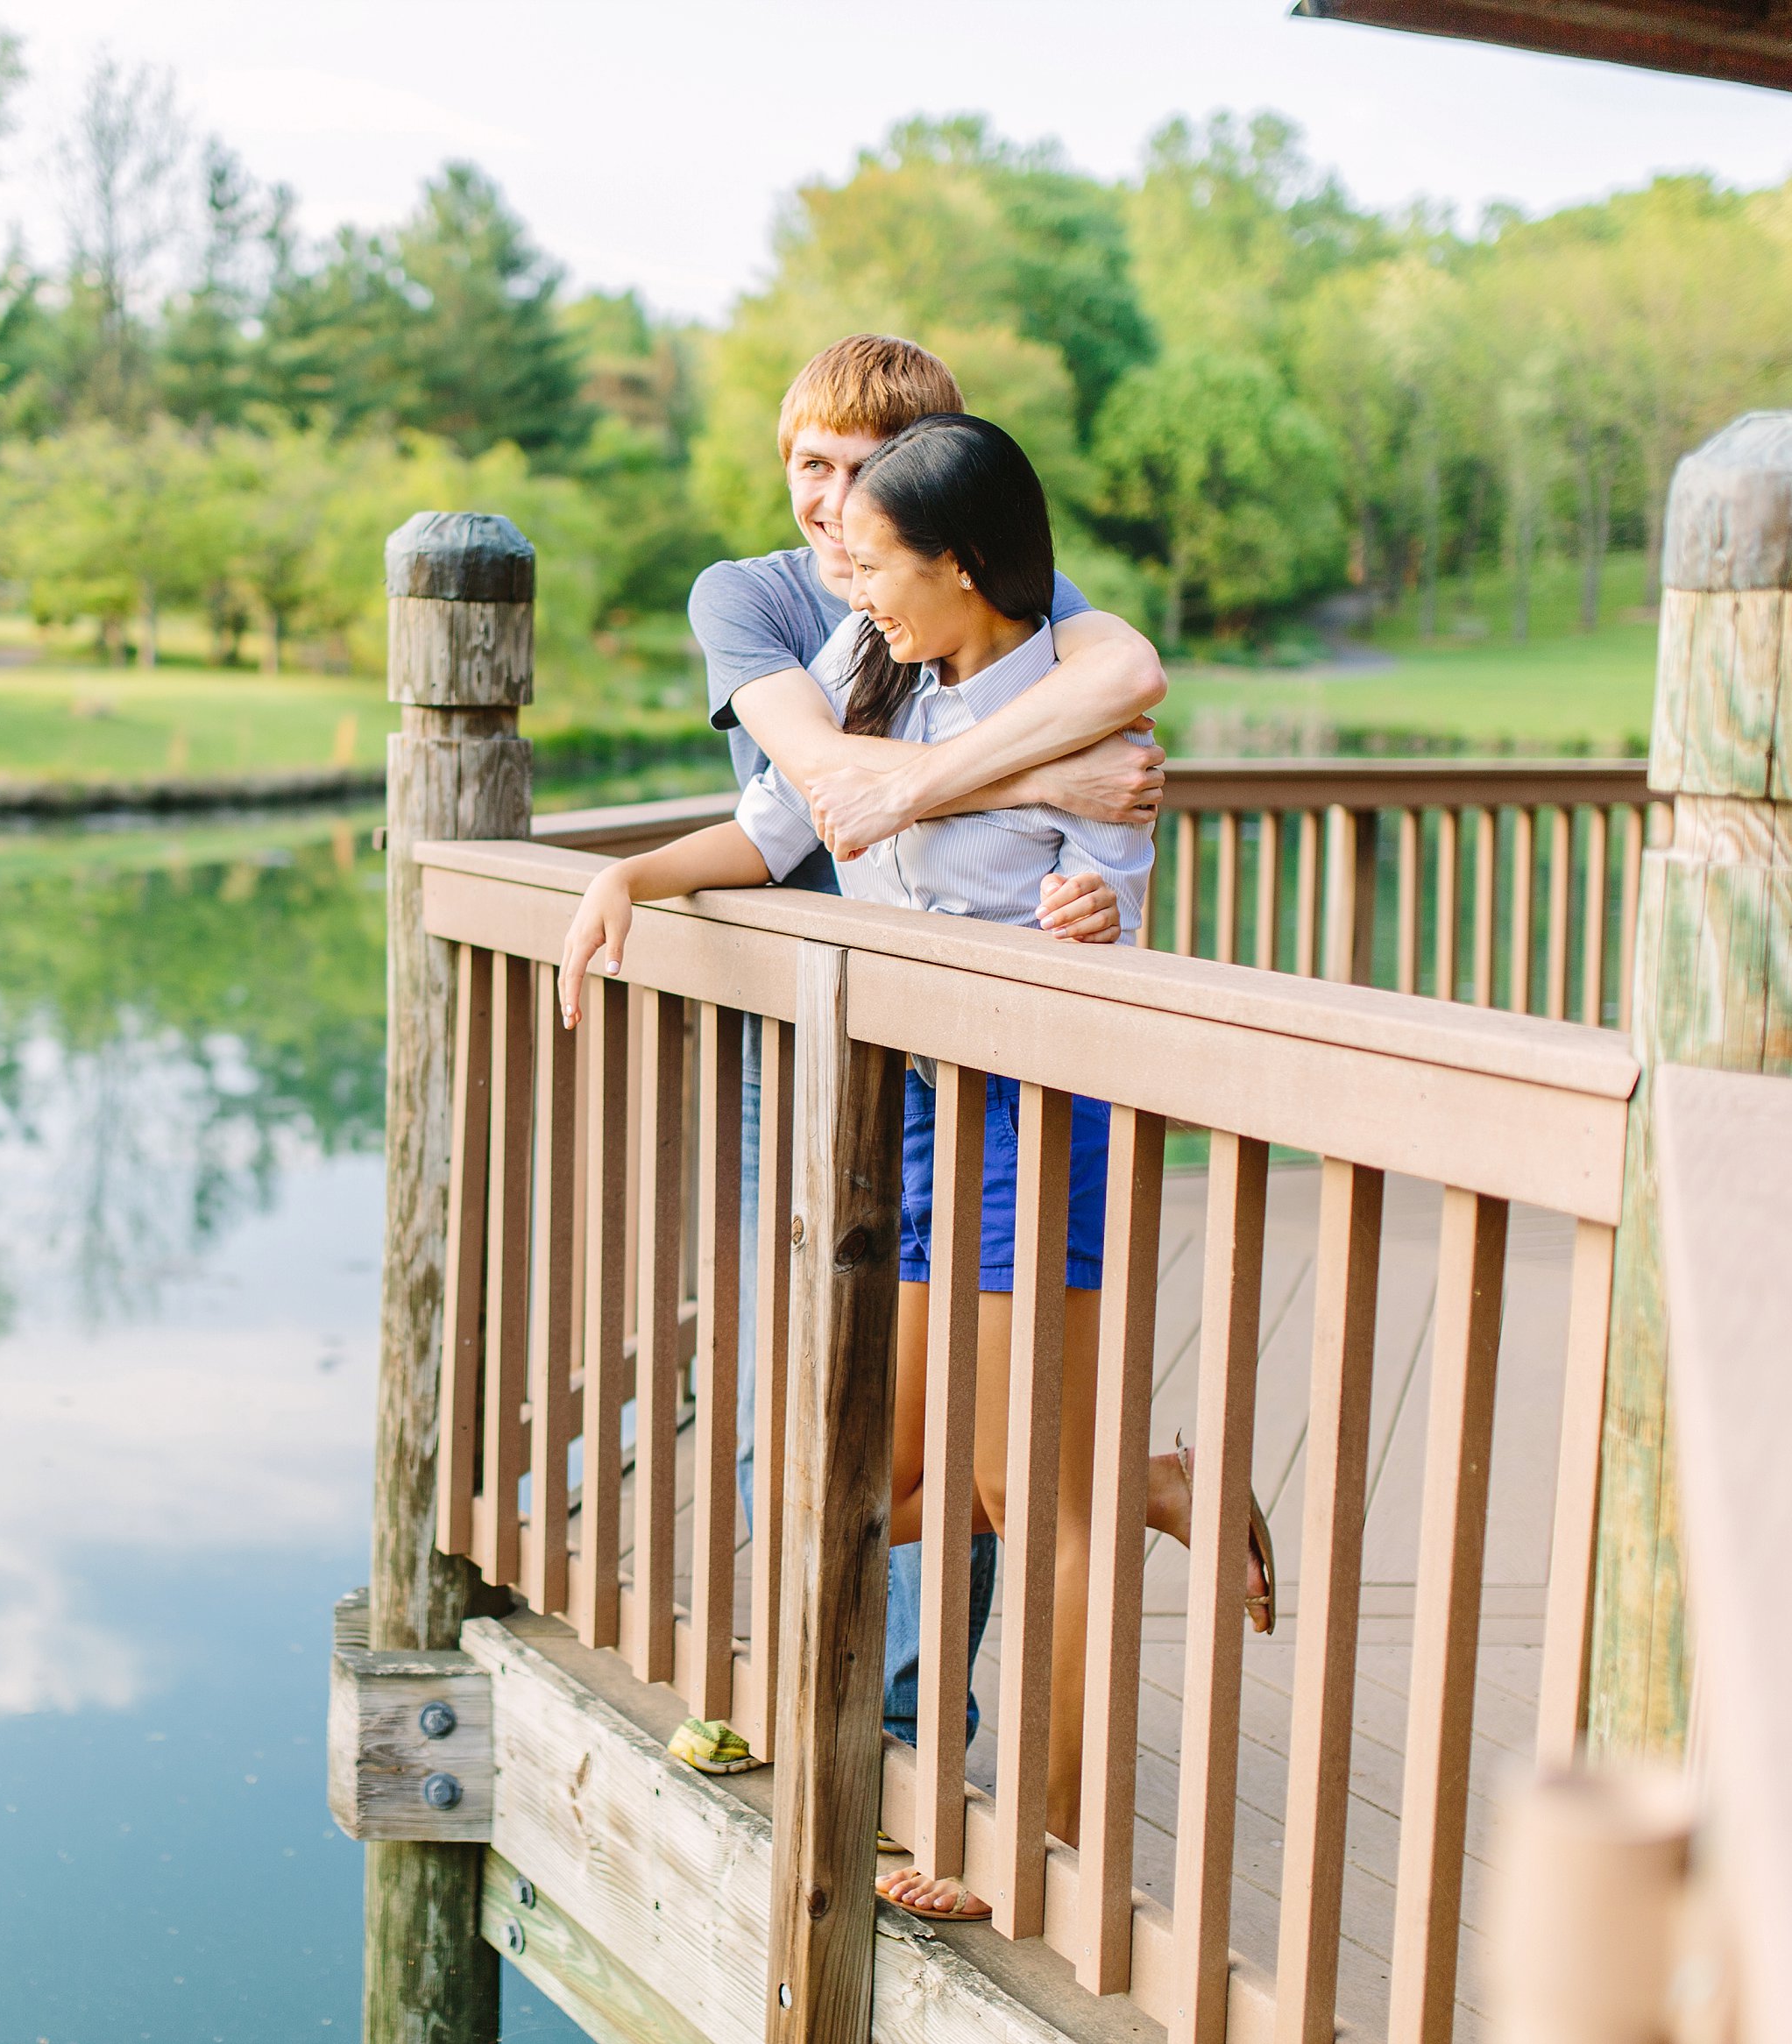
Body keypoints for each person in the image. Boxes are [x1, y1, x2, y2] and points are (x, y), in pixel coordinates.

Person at [575, 412, 1271, 1924]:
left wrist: (1087, 888)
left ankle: (1036, 1854)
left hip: (1035, 1114)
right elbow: (785, 823)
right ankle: (1150, 1476)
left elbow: (1102, 899)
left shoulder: (1084, 714)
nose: (856, 587)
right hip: (906, 1112)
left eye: (881, 563)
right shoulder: (874, 666)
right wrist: (628, 873)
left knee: (1034, 1500)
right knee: (872, 1481)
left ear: (961, 564)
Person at [690, 336, 1165, 1843]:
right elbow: (830, 785)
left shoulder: (950, 573)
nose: (837, 512)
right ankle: (821, 1689)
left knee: (1008, 1455)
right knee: (820, 1439)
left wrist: (1056, 803)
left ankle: (917, 1735)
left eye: (870, 481)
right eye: (812, 471)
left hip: (1011, 1079)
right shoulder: (766, 598)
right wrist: (1048, 777)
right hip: (843, 1067)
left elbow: (1118, 679)